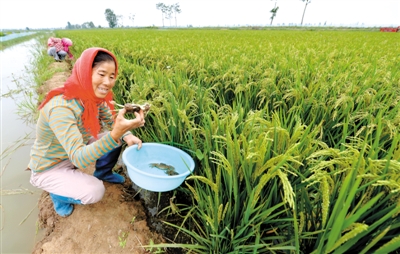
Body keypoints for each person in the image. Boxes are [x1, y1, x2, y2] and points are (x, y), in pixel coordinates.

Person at [27, 47, 145, 217]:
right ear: (85, 72)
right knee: (95, 191)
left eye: (112, 76)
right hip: (50, 167)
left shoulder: (94, 99)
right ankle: (59, 196)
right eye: (102, 74)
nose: (108, 82)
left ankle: (103, 172)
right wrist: (116, 134)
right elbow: (79, 157)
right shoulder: (61, 108)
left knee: (116, 138)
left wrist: (126, 134)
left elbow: (111, 120)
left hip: (71, 154)